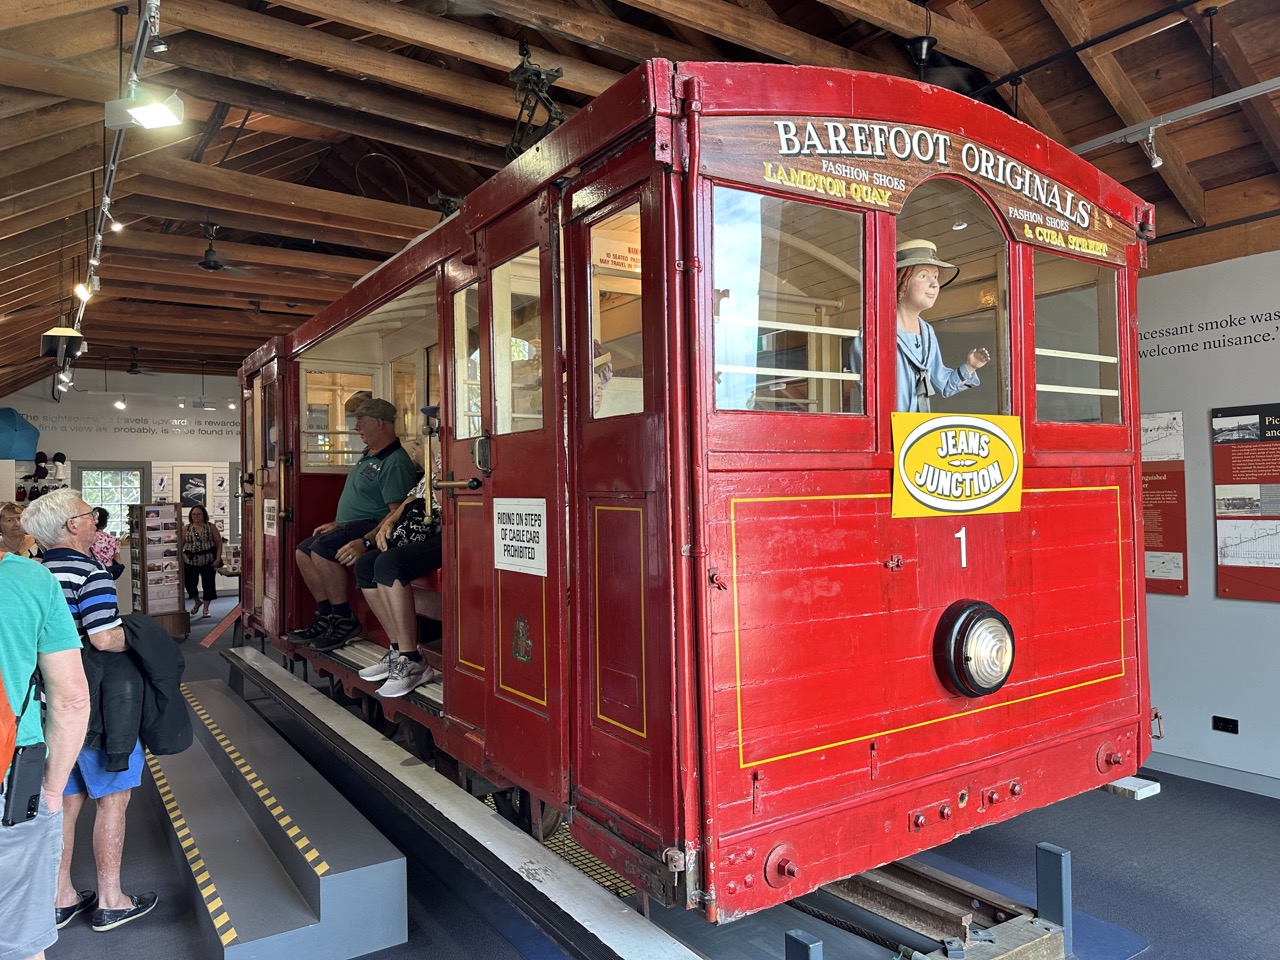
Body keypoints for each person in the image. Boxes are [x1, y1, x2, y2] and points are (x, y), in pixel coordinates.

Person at [21, 489, 158, 933]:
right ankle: (112, 901)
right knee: (113, 800)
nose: (95, 520)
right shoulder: (90, 572)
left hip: (42, 706)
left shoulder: (30, 574)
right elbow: (103, 637)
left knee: (63, 799)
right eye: (89, 514)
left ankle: (60, 898)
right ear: (71, 526)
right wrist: (138, 636)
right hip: (98, 706)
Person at [0, 544, 90, 960]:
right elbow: (71, 699)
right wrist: (53, 790)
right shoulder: (28, 580)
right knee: (19, 937)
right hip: (11, 781)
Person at [288, 398, 417, 650]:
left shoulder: (395, 462)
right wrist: (339, 523)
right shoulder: (369, 455)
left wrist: (366, 540)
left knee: (323, 550)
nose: (356, 427)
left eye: (361, 421)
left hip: (371, 526)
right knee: (303, 550)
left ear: (379, 423)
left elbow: (397, 513)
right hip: (350, 524)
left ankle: (343, 617)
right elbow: (364, 498)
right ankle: (327, 615)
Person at [351, 426, 442, 696]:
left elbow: (448, 504)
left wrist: (431, 465)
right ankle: (396, 650)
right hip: (420, 532)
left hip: (449, 534)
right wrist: (388, 522)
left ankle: (413, 659)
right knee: (366, 565)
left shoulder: (459, 461)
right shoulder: (433, 463)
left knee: (389, 564)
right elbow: (412, 498)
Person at [851, 239, 990, 413]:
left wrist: (970, 366)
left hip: (918, 431)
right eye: (923, 276)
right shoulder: (874, 332)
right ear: (901, 281)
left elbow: (943, 385)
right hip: (889, 430)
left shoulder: (928, 333)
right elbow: (869, 392)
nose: (934, 284)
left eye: (936, 277)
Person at [179, 505, 222, 619]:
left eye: (198, 514)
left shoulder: (210, 527)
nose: (196, 516)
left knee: (208, 585)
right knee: (189, 584)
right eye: (193, 514)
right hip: (190, 561)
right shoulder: (186, 528)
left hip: (208, 561)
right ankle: (197, 601)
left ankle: (206, 609)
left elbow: (218, 543)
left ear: (204, 515)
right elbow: (180, 545)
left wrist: (218, 558)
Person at [88, 508, 122, 579]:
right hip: (109, 576)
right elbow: (118, 562)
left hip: (90, 575)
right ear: (105, 523)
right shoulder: (113, 540)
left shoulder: (85, 538)